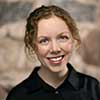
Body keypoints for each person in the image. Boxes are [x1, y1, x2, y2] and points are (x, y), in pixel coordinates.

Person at [6, 5, 100, 100]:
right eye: (44, 41)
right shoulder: (17, 96)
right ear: (33, 46)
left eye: (62, 38)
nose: (55, 49)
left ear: (73, 40)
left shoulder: (94, 89)